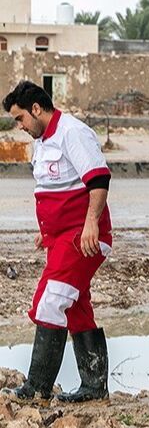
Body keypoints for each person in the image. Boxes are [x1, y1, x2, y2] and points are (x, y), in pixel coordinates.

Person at [1, 81, 112, 403]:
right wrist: (47, 230)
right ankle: (94, 388)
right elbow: (56, 188)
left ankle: (37, 389)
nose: (19, 126)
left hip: (83, 237)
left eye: (20, 118)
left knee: (51, 300)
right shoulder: (43, 140)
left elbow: (99, 179)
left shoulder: (71, 132)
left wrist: (91, 223)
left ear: (36, 109)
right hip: (61, 237)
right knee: (75, 307)